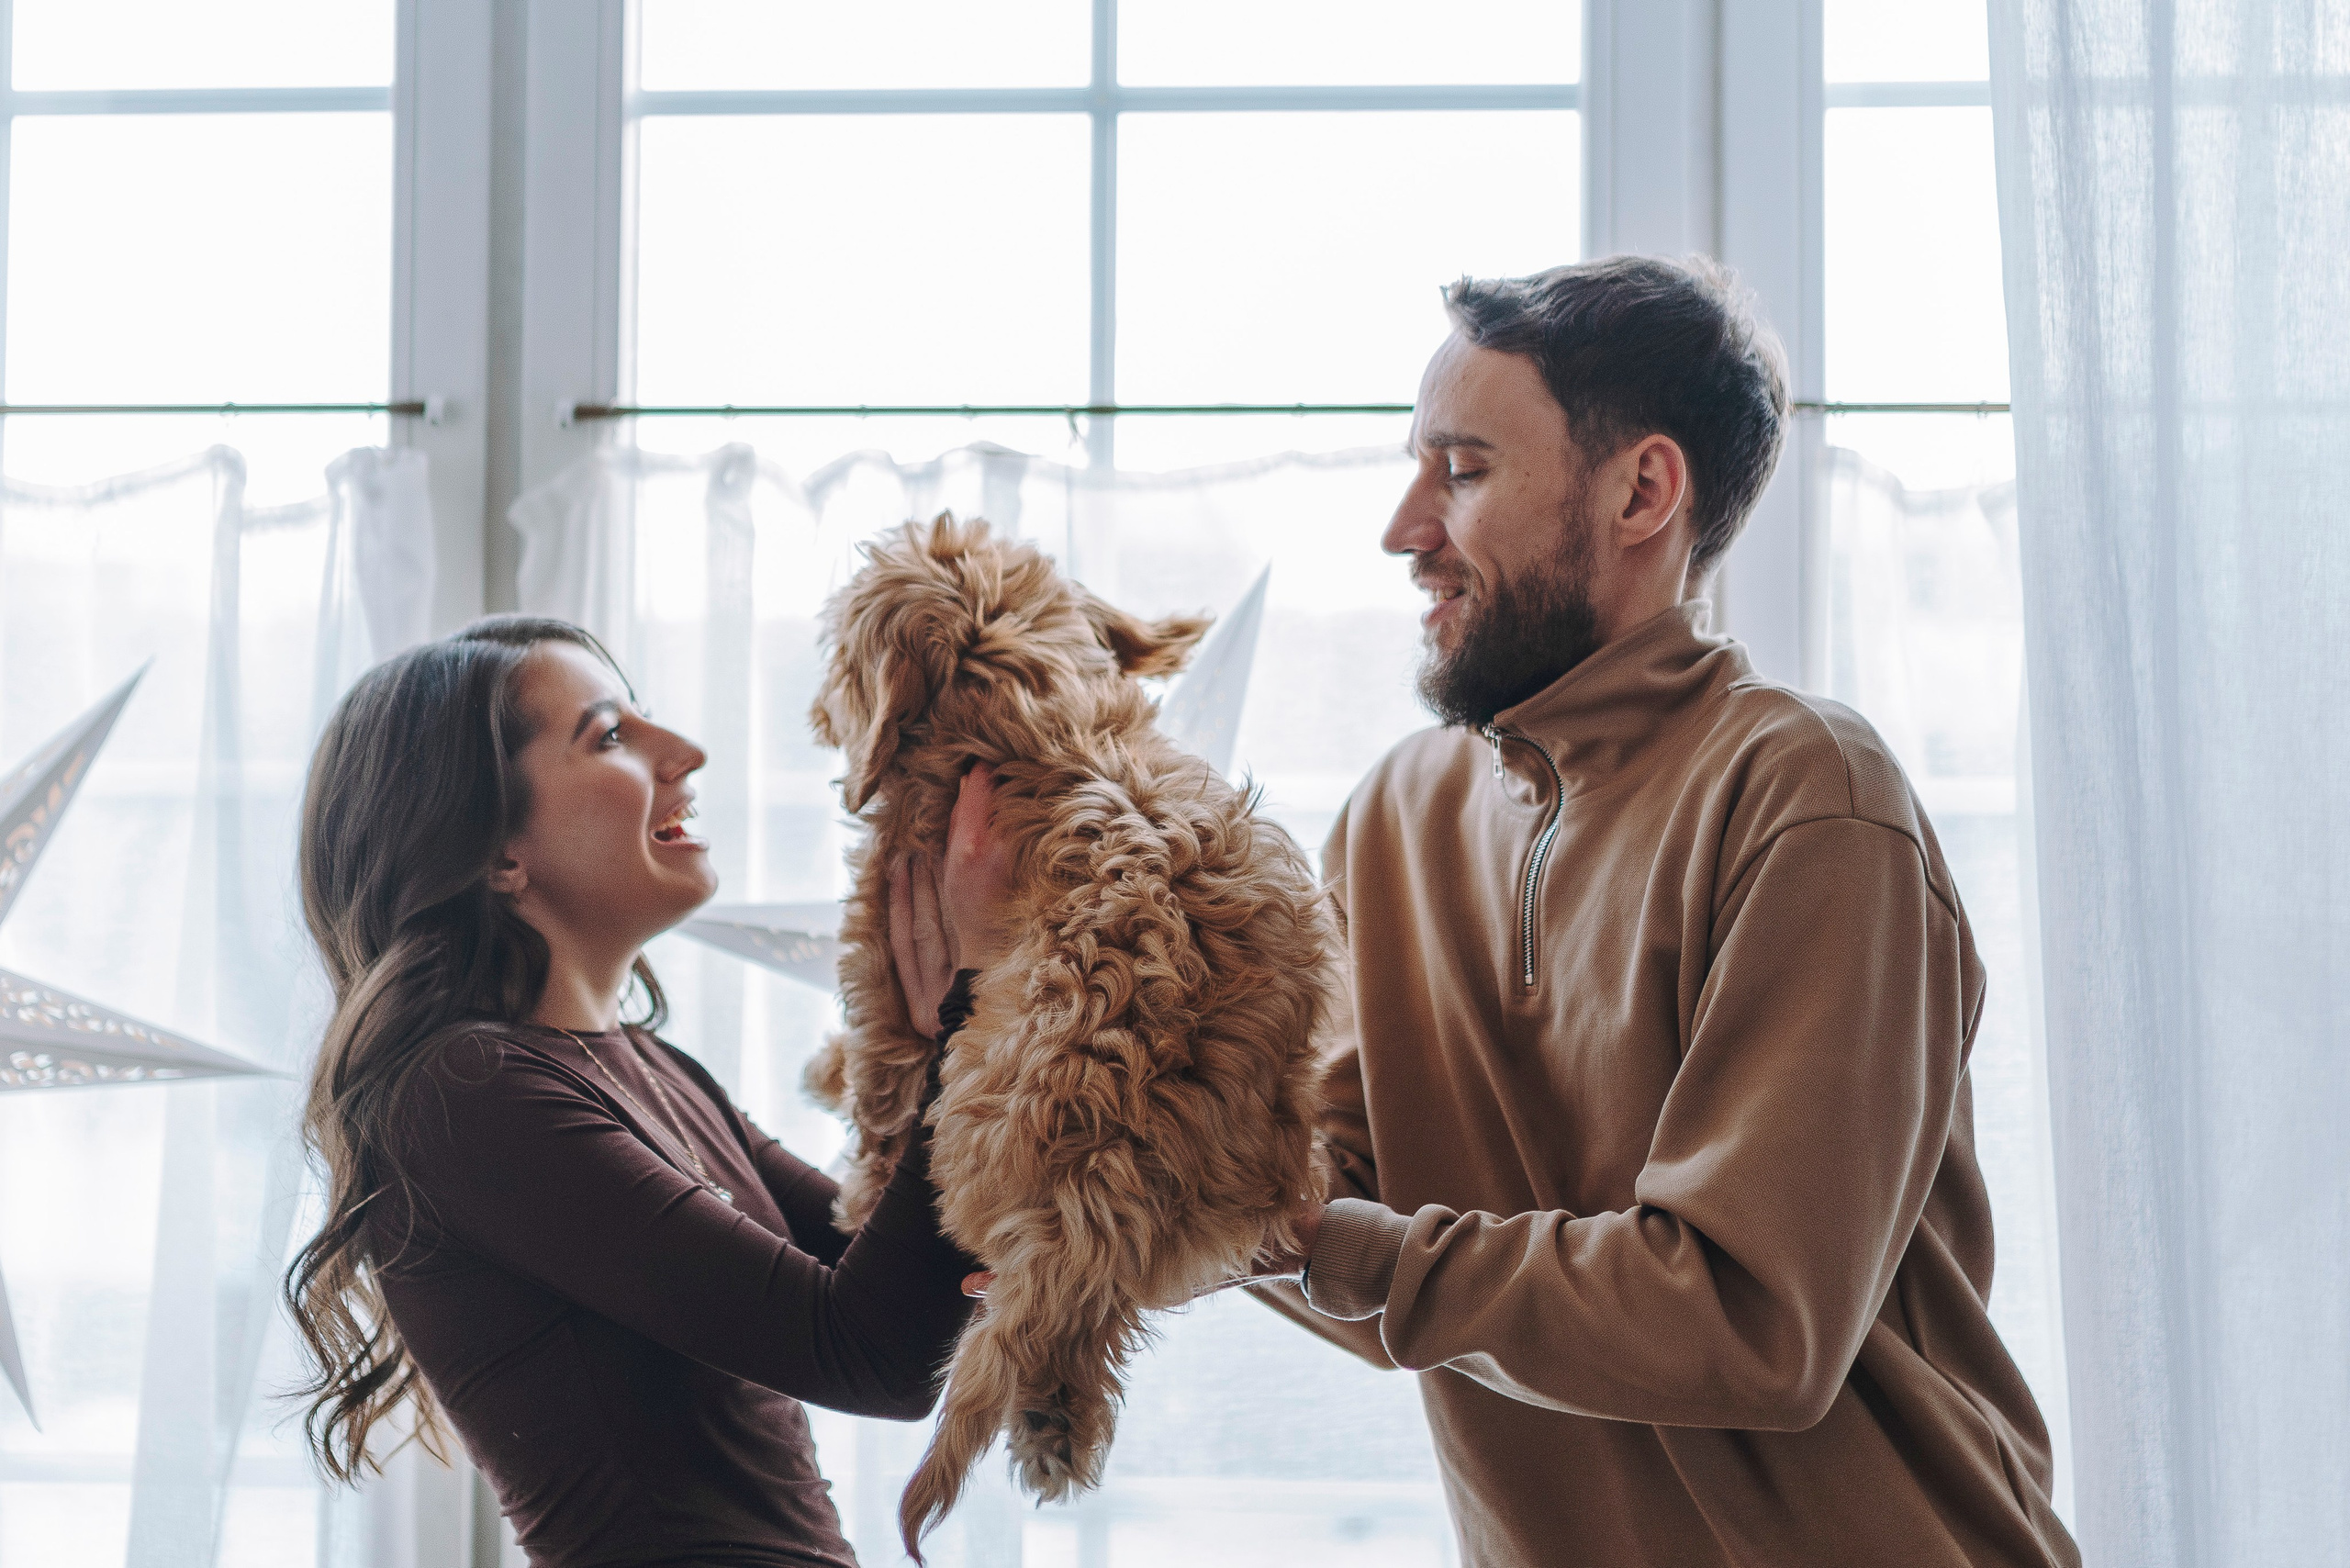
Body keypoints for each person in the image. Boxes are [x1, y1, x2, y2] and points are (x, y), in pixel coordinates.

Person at [1249, 258, 2080, 1567]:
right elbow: (1322, 1217)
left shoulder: (1811, 797)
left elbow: (1750, 1322)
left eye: (1461, 471)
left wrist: (1328, 1246)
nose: (1406, 529)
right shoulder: (1392, 820)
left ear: (1642, 492)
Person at [283, 615, 1010, 1567]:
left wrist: (952, 1030)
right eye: (611, 735)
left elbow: (919, 1279)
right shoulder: (468, 1095)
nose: (686, 753)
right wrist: (977, 1006)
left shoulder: (655, 1069)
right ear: (496, 853)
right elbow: (878, 1354)